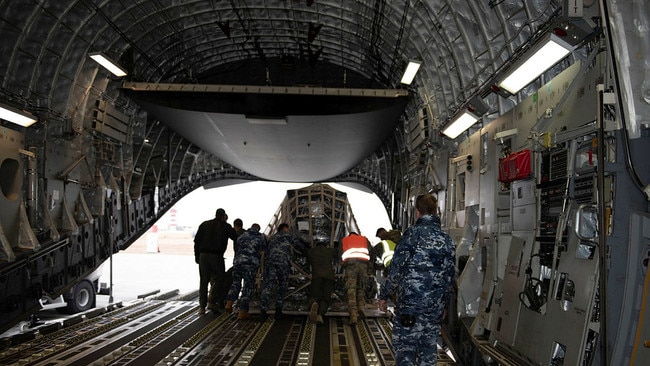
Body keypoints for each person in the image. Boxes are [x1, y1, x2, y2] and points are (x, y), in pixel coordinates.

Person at [378, 194, 455, 366]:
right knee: (428, 355)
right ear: (436, 212)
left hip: (410, 309)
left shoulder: (411, 236)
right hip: (434, 309)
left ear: (417, 212)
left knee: (406, 353)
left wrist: (384, 295)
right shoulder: (446, 240)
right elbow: (449, 277)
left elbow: (396, 269)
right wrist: (444, 305)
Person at [194, 208, 237, 315]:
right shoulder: (225, 226)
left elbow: (196, 241)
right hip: (216, 256)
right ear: (223, 216)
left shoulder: (204, 224)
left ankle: (201, 307)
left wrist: (197, 256)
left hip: (203, 256)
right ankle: (212, 301)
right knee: (220, 279)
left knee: (203, 281)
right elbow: (235, 236)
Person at [259, 223, 305, 320]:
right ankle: (278, 311)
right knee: (282, 285)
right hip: (282, 263)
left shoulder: (273, 237)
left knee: (267, 286)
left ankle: (263, 312)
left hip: (270, 262)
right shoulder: (288, 235)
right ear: (285, 228)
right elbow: (299, 246)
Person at [225, 223, 267, 320]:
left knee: (235, 284)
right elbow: (263, 250)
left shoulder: (242, 236)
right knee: (247, 287)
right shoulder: (260, 237)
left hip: (237, 263)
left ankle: (229, 303)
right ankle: (242, 312)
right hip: (250, 264)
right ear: (258, 229)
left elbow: (237, 247)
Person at [210, 218, 245, 308]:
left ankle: (223, 301)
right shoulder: (246, 233)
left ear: (234, 226)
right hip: (250, 263)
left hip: (238, 262)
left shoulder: (236, 234)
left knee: (229, 281)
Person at [341, 231, 373, 325]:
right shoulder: (364, 239)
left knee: (351, 289)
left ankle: (353, 315)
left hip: (351, 265)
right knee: (361, 287)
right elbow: (371, 252)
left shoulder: (345, 240)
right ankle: (361, 308)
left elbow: (340, 254)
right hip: (363, 265)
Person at [306, 241, 338, 324]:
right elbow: (337, 252)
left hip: (316, 276)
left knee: (315, 295)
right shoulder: (329, 250)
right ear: (325, 245)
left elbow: (304, 254)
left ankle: (314, 303)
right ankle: (320, 315)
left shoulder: (312, 251)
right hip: (329, 276)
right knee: (326, 297)